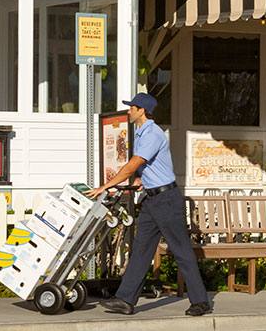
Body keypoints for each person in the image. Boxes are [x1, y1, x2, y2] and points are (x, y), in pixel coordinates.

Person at [87, 92, 210, 316]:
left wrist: (106, 186)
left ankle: (200, 302)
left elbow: (132, 165)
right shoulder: (143, 133)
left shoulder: (152, 134)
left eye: (131, 108)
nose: (128, 111)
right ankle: (125, 300)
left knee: (181, 250)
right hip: (152, 199)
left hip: (166, 200)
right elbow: (148, 166)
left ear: (141, 110)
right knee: (141, 250)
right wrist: (141, 179)